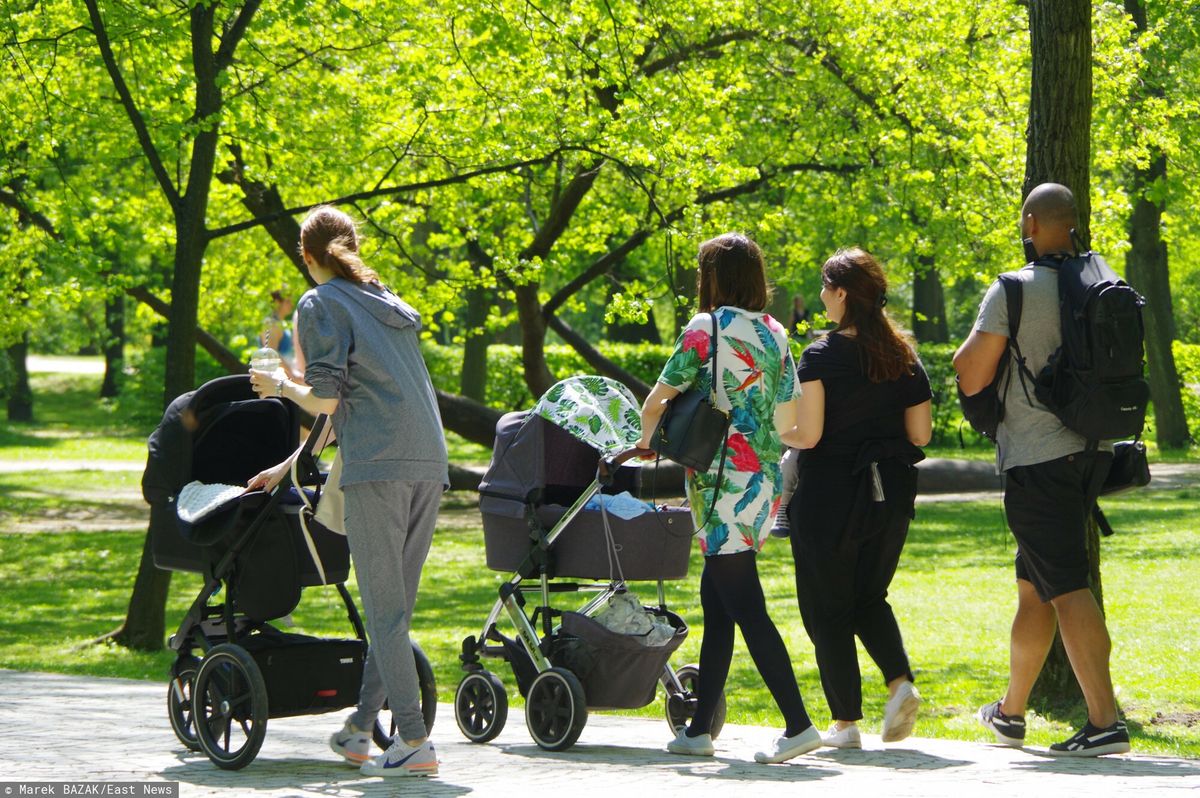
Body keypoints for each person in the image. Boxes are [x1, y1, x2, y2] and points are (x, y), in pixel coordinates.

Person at [247, 205, 448, 777]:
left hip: (379, 469)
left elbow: (325, 400)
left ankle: (414, 740)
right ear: (351, 247)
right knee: (395, 612)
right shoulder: (386, 302)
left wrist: (281, 384)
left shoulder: (320, 303)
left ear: (308, 259)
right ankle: (362, 728)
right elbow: (352, 409)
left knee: (386, 613)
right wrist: (290, 466)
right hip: (428, 462)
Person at [953, 182, 1128, 757]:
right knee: (1035, 589)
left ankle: (1105, 723)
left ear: (1030, 223)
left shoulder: (1013, 290)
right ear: (1071, 223)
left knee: (1068, 587)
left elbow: (973, 376)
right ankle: (1011, 712)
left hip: (1037, 459)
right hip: (1091, 453)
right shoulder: (1101, 281)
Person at [637, 232, 821, 764]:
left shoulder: (705, 327)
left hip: (721, 487)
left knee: (746, 605)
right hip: (762, 483)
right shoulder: (775, 332)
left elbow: (658, 400)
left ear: (712, 277)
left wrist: (647, 442)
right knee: (718, 602)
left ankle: (799, 724)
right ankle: (698, 731)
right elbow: (786, 420)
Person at [783, 248, 932, 749]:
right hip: (891, 493)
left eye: (826, 288)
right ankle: (899, 683)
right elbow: (920, 434)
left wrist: (778, 429)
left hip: (830, 493)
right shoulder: (904, 355)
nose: (822, 297)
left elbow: (809, 435)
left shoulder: (821, 355)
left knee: (826, 607)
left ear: (842, 292)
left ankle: (846, 724)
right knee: (869, 595)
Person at [262, 290, 297, 378]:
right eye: (288, 301)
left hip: (286, 378)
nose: (292, 305)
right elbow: (271, 354)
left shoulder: (280, 324)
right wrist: (293, 375)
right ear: (277, 302)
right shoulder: (270, 324)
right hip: (278, 381)